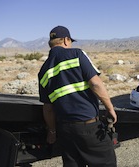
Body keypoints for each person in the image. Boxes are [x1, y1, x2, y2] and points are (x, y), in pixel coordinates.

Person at [38, 25, 117, 167]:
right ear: (66, 40)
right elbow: (96, 84)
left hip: (65, 131)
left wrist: (52, 131)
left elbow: (48, 108)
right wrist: (110, 108)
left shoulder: (43, 71)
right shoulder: (77, 54)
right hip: (88, 127)